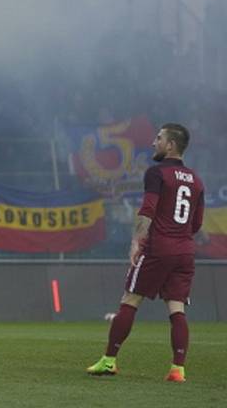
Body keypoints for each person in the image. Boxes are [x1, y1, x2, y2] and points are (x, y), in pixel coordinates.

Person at [87, 123, 205, 383]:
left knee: (130, 299)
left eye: (159, 138)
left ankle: (109, 361)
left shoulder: (156, 173)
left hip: (159, 247)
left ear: (171, 145)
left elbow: (148, 209)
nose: (154, 142)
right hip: (185, 251)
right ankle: (178, 370)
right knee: (177, 310)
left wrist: (136, 242)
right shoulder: (196, 180)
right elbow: (196, 224)